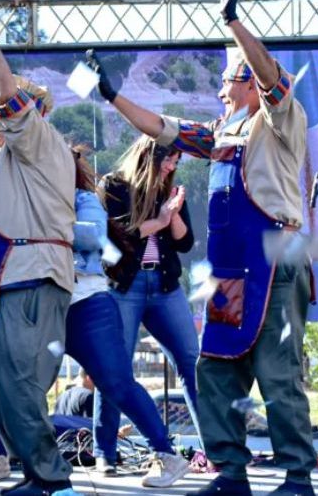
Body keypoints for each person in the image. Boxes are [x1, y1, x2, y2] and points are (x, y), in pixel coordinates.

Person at [87, 0, 317, 496]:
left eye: (227, 80)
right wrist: (113, 96)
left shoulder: (281, 117)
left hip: (276, 257)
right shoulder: (219, 133)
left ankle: (298, 476)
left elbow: (270, 76)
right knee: (215, 368)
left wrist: (234, 21)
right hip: (231, 272)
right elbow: (162, 128)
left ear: (249, 83)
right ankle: (230, 472)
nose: (218, 90)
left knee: (277, 374)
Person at [0, 7, 78, 496]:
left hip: (30, 276)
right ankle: (36, 477)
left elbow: (6, 96)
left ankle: (54, 482)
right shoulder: (1, 163)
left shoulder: (42, 142)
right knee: (4, 394)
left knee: (21, 388)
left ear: (34, 113)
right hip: (2, 283)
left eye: (10, 111)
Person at [92, 135, 200, 477]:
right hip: (126, 286)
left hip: (165, 286)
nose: (171, 166)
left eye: (176, 163)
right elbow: (115, 236)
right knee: (115, 368)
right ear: (148, 155)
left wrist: (175, 213)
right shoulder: (114, 185)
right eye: (168, 160)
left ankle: (215, 447)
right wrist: (159, 219)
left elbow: (185, 243)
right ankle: (104, 451)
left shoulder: (167, 190)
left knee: (191, 361)